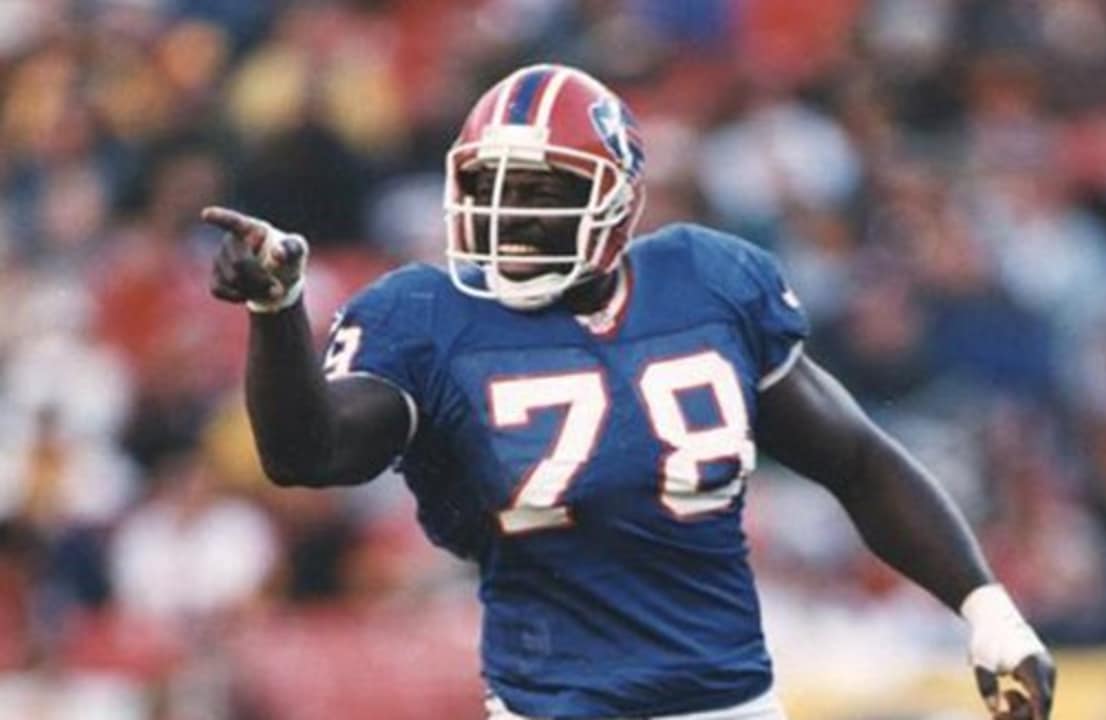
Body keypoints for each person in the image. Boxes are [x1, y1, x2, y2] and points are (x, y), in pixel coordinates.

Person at [204, 63, 1055, 720]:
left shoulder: (708, 284)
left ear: (616, 201)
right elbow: (305, 454)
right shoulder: (429, 316)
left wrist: (987, 609)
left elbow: (857, 460)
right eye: (488, 186)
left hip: (732, 702)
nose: (509, 213)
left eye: (542, 189)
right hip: (554, 705)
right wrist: (277, 312)